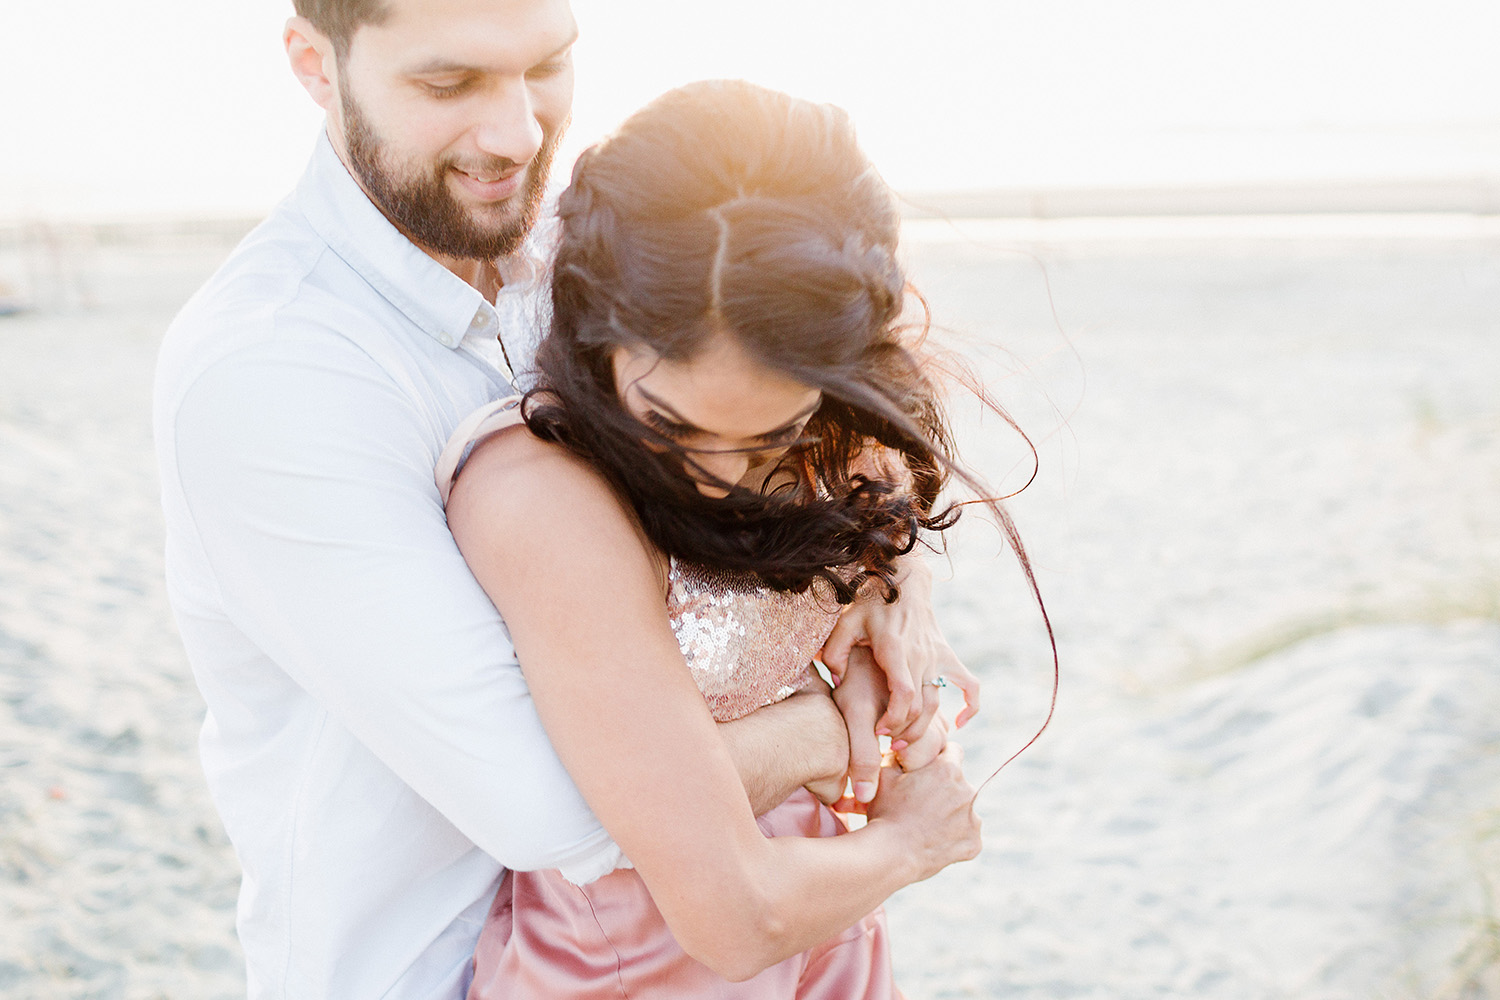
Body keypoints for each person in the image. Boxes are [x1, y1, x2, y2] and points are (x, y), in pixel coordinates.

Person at [152, 2, 976, 997]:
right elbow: (560, 807)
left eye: (546, 66)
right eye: (448, 84)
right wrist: (847, 715)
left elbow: (812, 421)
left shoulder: (600, 248)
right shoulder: (271, 373)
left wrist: (890, 577)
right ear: (314, 64)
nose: (515, 134)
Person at [438, 79, 989, 998]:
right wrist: (912, 835)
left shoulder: (828, 420)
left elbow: (874, 525)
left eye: (769, 436)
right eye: (675, 427)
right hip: (636, 967)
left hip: (827, 926)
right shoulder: (537, 491)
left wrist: (899, 587)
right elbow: (732, 919)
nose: (721, 479)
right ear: (599, 330)